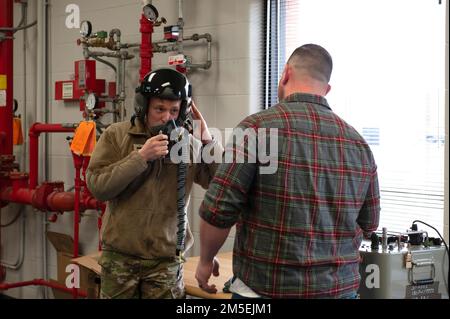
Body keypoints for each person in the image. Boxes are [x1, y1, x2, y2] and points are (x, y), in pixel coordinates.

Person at [195, 44, 380, 299]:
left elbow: (218, 210)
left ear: (285, 74)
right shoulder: (359, 144)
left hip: (266, 290)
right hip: (338, 290)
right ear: (327, 90)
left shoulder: (256, 128)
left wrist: (206, 260)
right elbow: (369, 224)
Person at [86, 68, 222, 299]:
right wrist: (140, 158)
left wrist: (207, 139)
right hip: (120, 257)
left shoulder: (189, 145)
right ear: (144, 106)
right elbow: (98, 186)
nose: (166, 117)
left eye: (174, 110)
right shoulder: (117, 135)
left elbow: (219, 183)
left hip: (165, 262)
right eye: (159, 109)